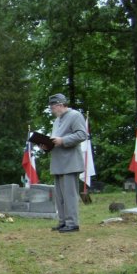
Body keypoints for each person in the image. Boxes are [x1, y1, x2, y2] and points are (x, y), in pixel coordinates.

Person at [42, 93, 87, 233]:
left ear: (60, 105)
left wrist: (63, 140)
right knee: (60, 196)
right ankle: (63, 222)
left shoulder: (75, 115)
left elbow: (82, 135)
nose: (52, 111)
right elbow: (55, 140)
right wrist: (46, 145)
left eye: (53, 107)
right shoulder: (57, 121)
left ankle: (72, 223)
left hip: (70, 162)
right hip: (57, 162)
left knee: (69, 195)